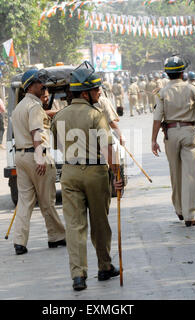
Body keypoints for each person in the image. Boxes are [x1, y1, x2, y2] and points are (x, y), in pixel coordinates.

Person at [51, 61, 123, 291]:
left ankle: (78, 276)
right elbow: (109, 148)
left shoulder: (59, 116)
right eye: (95, 89)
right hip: (95, 172)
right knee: (100, 223)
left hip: (70, 172)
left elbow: (56, 144)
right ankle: (104, 267)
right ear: (84, 92)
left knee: (74, 226)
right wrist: (117, 174)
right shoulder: (96, 115)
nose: (99, 92)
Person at [151, 56, 195, 227]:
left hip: (170, 134)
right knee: (190, 174)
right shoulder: (192, 89)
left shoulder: (162, 93)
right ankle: (190, 215)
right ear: (182, 72)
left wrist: (153, 140)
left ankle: (179, 209)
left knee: (175, 172)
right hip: (189, 132)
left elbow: (157, 118)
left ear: (167, 74)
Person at [11, 69, 66, 255]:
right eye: (40, 83)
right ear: (31, 86)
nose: (43, 87)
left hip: (20, 156)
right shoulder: (34, 107)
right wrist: (40, 157)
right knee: (47, 200)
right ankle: (56, 236)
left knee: (25, 201)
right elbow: (37, 133)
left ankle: (19, 241)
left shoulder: (19, 107)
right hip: (36, 156)